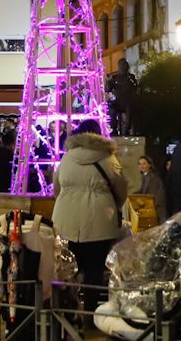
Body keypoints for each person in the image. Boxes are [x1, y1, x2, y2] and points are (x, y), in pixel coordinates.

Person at [51, 119, 128, 312]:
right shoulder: (109, 158)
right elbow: (121, 189)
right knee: (94, 270)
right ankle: (91, 312)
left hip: (66, 221)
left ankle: (69, 311)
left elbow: (57, 187)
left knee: (68, 268)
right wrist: (110, 205)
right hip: (99, 222)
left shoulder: (67, 157)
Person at [107, 58, 138, 136]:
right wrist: (109, 82)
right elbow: (108, 89)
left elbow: (135, 88)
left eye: (125, 65)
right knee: (111, 108)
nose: (123, 67)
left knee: (130, 108)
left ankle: (127, 130)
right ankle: (113, 129)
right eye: (122, 65)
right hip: (117, 101)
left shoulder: (131, 77)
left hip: (128, 101)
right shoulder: (114, 77)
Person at [134, 155, 166, 221]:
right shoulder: (145, 175)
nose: (141, 166)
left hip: (157, 208)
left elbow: (153, 194)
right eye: (140, 164)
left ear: (149, 165)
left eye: (144, 163)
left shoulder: (152, 177)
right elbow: (142, 190)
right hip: (153, 207)